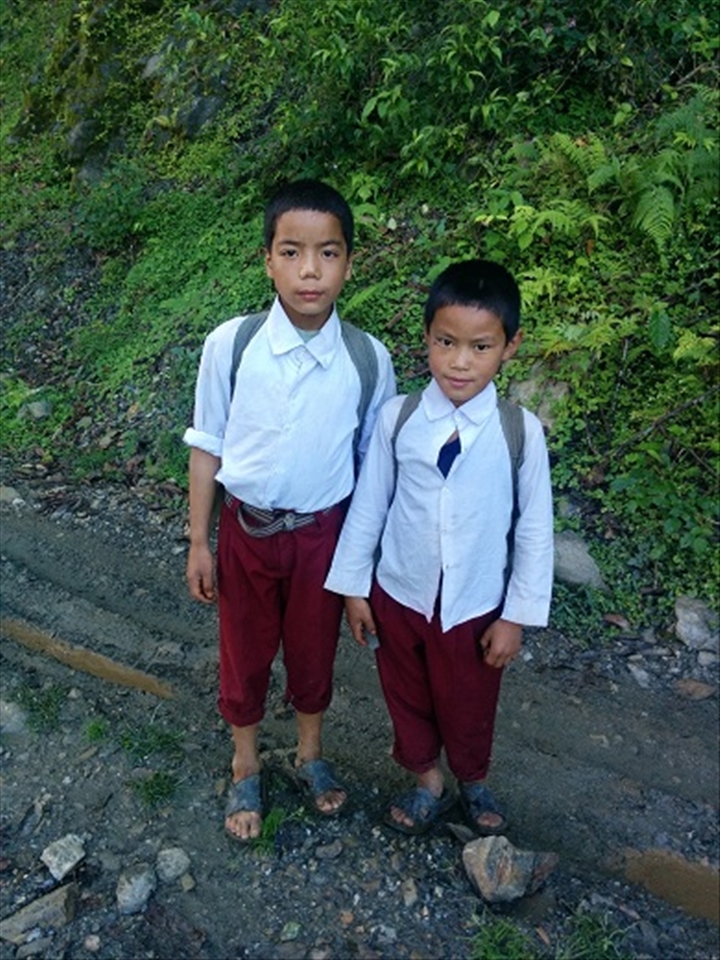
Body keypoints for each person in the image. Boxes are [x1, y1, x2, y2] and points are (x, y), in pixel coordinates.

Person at [184, 179, 396, 842]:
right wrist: (199, 541)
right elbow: (207, 446)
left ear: (349, 264)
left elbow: (372, 472)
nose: (310, 271)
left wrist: (357, 572)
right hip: (245, 530)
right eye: (292, 252)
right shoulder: (231, 345)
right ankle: (245, 761)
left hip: (322, 537)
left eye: (327, 253)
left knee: (313, 650)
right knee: (242, 649)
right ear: (268, 261)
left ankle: (310, 753)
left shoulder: (367, 360)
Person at [325, 259, 553, 835]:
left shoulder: (519, 432)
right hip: (399, 593)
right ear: (426, 336)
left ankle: (472, 779)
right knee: (405, 693)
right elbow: (370, 505)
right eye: (446, 342)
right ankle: (426, 780)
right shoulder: (398, 418)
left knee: (470, 699)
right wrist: (354, 588)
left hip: (476, 603)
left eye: (481, 347)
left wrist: (516, 617)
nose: (459, 361)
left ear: (510, 346)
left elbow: (533, 529)